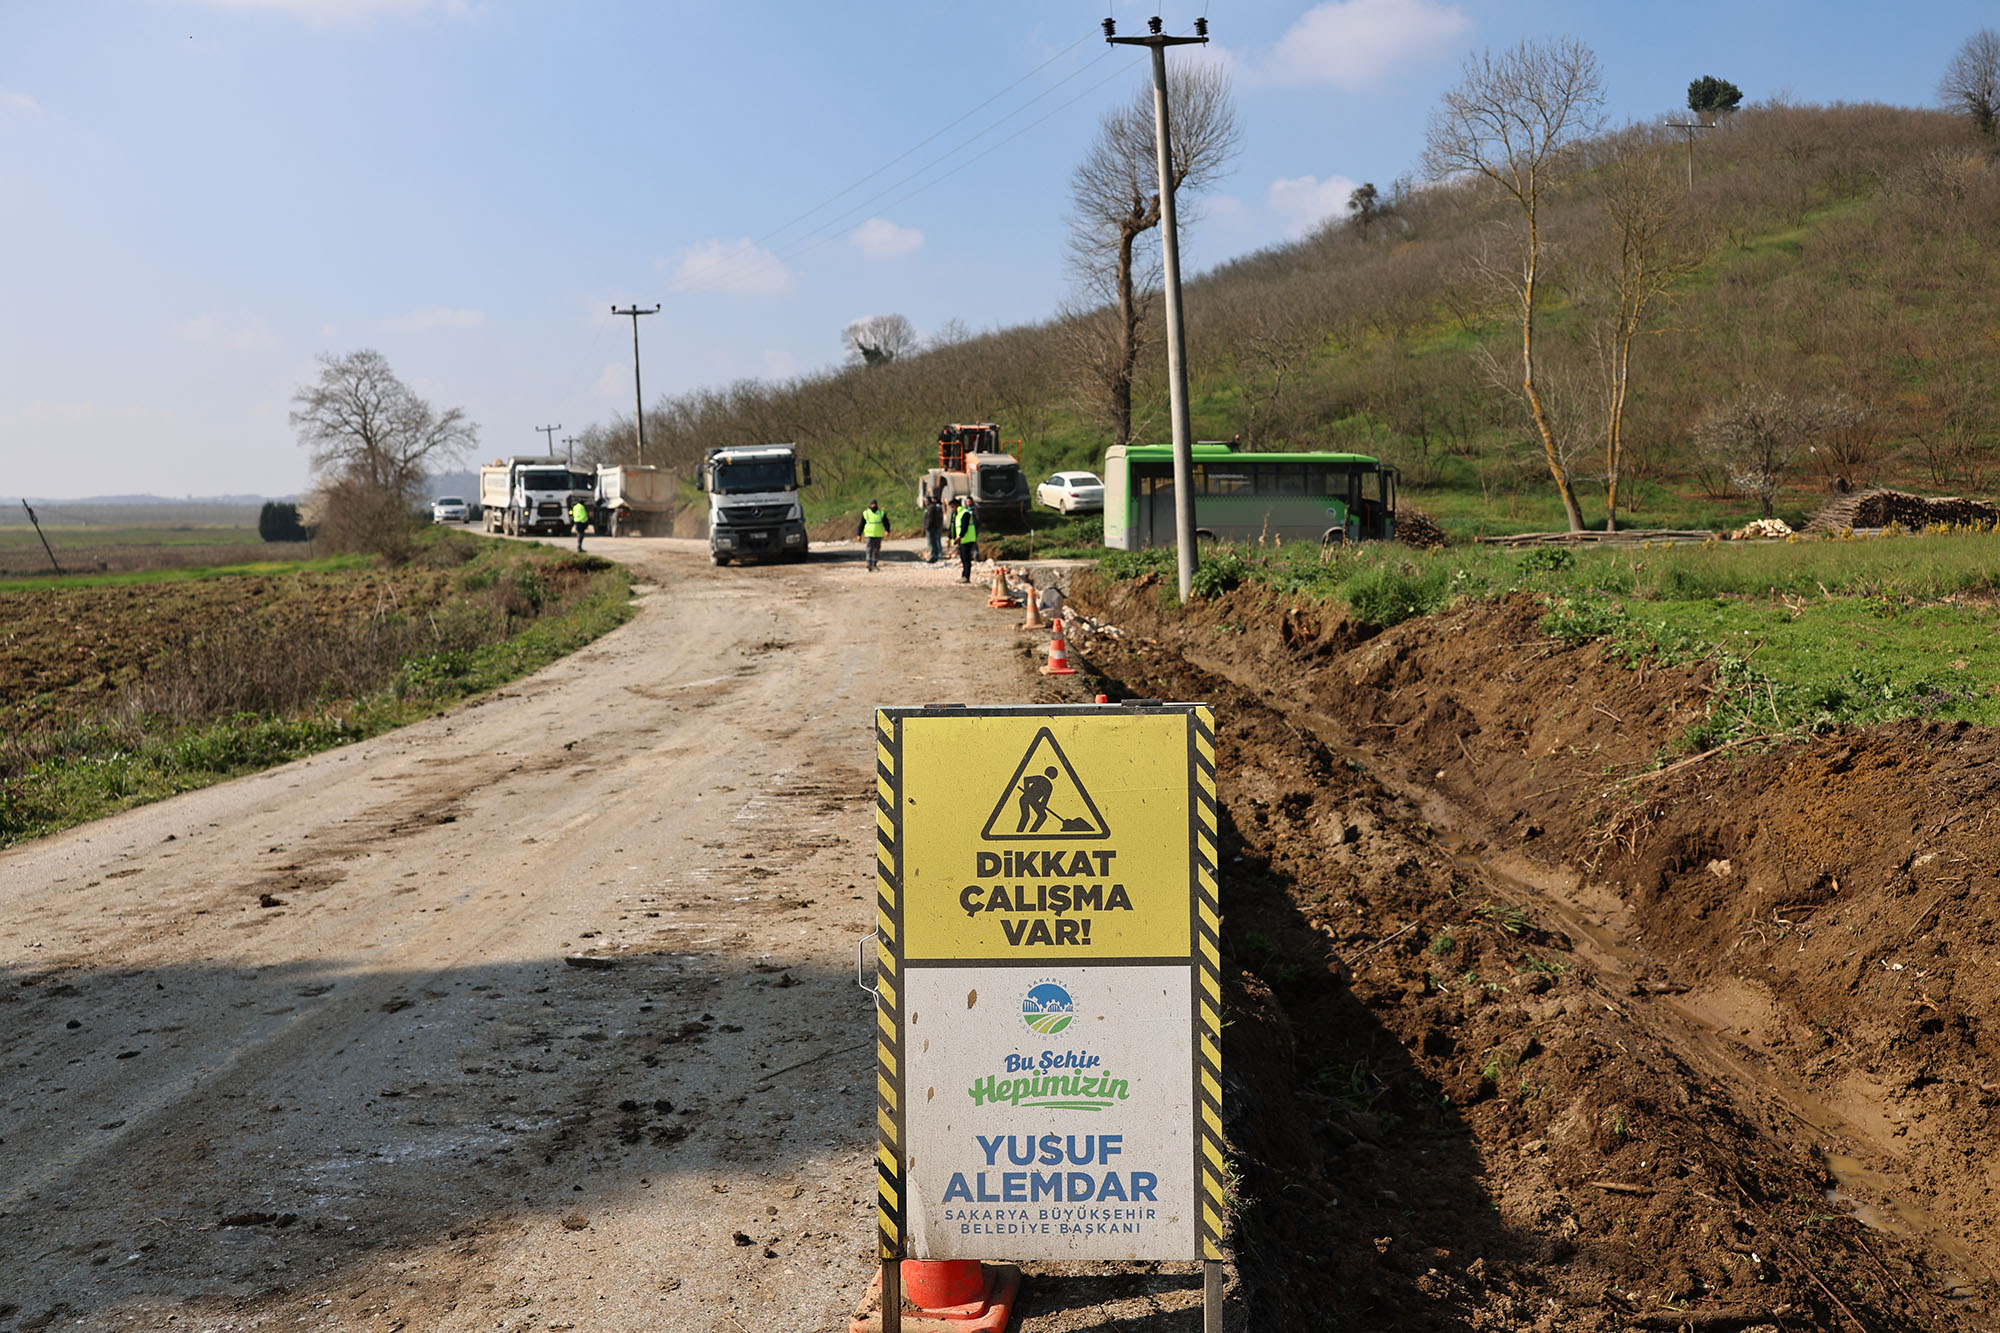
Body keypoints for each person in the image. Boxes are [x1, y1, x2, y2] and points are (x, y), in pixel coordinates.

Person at [952, 499, 980, 584]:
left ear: (956, 505)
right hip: (963, 539)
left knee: (966, 558)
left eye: (952, 507)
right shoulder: (957, 514)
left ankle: (966, 576)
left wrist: (960, 536)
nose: (952, 509)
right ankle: (964, 575)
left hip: (967, 539)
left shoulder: (965, 513)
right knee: (963, 558)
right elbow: (956, 527)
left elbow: (964, 527)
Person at [857, 499, 888, 572]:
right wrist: (859, 534)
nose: (873, 505)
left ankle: (874, 564)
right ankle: (869, 563)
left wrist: (887, 530)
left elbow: (886, 523)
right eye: (872, 504)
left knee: (876, 550)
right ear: (869, 505)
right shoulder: (866, 513)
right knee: (869, 549)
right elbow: (861, 524)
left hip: (878, 534)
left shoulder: (881, 513)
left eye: (874, 504)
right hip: (869, 534)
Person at [921, 491, 945, 564]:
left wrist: (926, 527)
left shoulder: (931, 508)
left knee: (932, 542)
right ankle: (936, 555)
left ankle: (934, 556)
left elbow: (930, 519)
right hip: (933, 527)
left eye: (926, 501)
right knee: (934, 542)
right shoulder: (932, 507)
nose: (925, 502)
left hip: (931, 528)